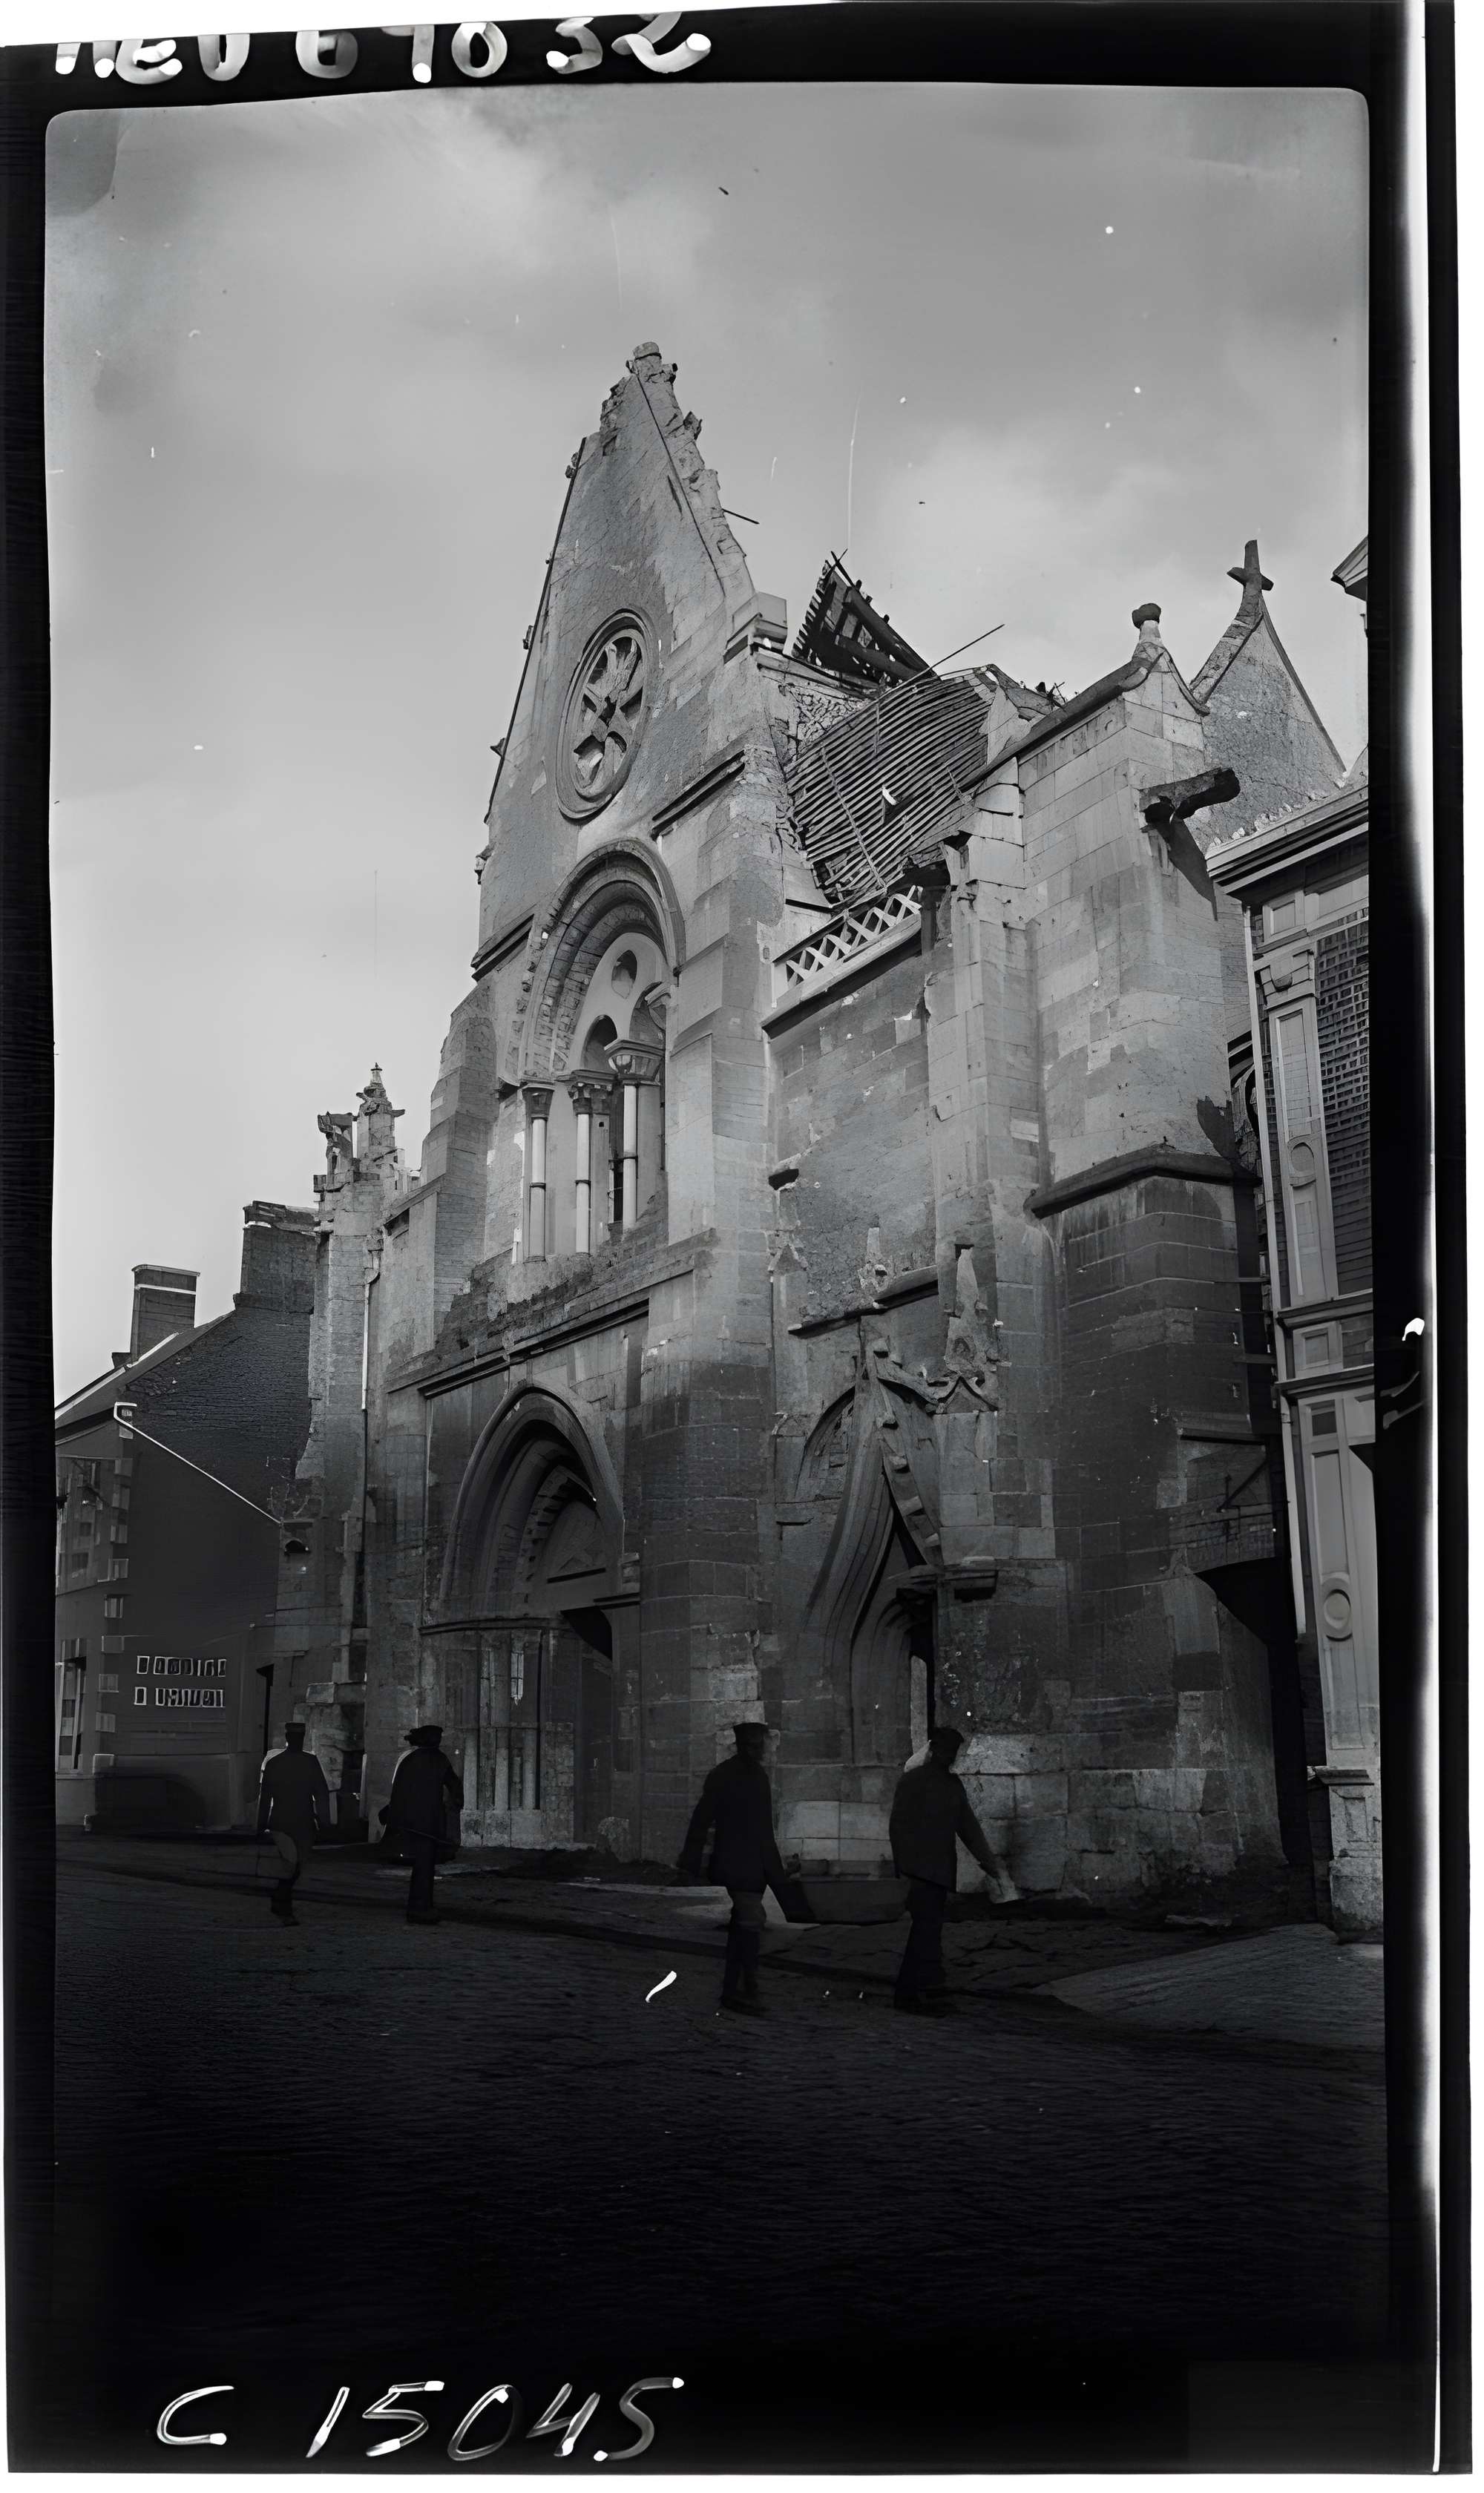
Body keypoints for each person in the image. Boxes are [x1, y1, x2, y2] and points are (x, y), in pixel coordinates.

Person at [887, 1724, 1018, 2015]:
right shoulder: (912, 1781)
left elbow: (968, 1828)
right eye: (946, 1750)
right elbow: (897, 1826)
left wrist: (991, 1865)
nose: (950, 1756)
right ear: (934, 1749)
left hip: (940, 1870)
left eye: (954, 1751)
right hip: (918, 1871)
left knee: (928, 1932)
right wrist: (903, 1868)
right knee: (925, 1932)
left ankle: (920, 1991)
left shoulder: (952, 1786)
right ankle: (913, 1994)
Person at [678, 1721, 786, 2017]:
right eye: (755, 1745)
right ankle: (747, 1990)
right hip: (741, 1862)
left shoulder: (745, 1776)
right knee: (750, 1922)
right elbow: (703, 1820)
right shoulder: (735, 1776)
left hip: (745, 1862)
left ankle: (734, 1989)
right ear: (745, 1746)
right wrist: (690, 1861)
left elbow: (760, 1829)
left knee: (743, 1924)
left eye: (760, 1744)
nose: (760, 1750)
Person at [381, 1724, 464, 1925]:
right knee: (425, 1868)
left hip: (410, 1822)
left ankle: (419, 1907)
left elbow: (398, 1792)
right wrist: (455, 1805)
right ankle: (421, 1908)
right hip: (428, 1822)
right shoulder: (438, 1759)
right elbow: (454, 1786)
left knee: (421, 1866)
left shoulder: (409, 1760)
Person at [256, 1723, 333, 1926]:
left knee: (291, 1865)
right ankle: (283, 1905)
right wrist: (325, 1823)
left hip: (282, 1821)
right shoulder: (310, 1762)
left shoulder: (275, 1763)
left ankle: (280, 1902)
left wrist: (260, 1825)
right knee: (294, 1866)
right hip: (302, 1822)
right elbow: (321, 1794)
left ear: (287, 1737)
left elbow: (265, 1798)